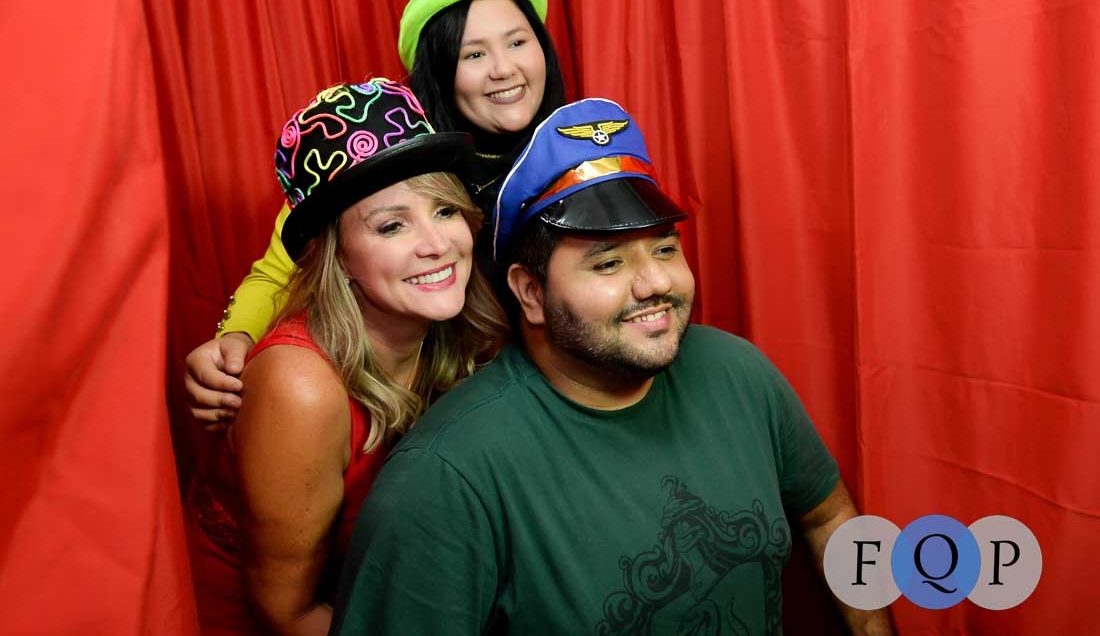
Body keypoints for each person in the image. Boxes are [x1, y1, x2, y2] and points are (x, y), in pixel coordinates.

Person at [327, 98, 896, 636]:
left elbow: (829, 518)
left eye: (665, 249)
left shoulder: (738, 371)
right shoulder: (446, 479)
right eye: (608, 263)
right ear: (531, 293)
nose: (655, 283)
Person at [184, 0, 567, 428]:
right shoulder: (392, 149)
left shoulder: (574, 147)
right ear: (439, 68)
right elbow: (283, 269)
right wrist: (235, 339)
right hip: (423, 407)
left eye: (517, 42)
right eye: (473, 55)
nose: (504, 69)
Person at [183, 78, 508, 635]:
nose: (437, 244)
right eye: (392, 225)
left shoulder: (464, 328)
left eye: (445, 210)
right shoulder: (300, 387)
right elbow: (285, 611)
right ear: (338, 258)